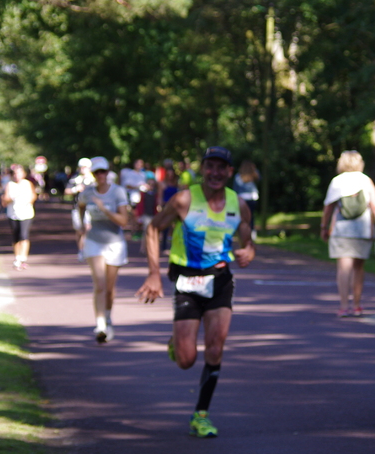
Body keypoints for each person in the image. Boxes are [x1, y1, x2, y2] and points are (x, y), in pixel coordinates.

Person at [135, 146, 255, 438]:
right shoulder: (184, 200)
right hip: (187, 280)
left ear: (229, 172)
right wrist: (153, 273)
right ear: (203, 169)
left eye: (221, 167)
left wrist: (249, 249)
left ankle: (201, 414)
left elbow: (246, 233)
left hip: (220, 279)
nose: (215, 173)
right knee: (186, 360)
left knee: (216, 346)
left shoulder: (238, 203)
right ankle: (177, 342)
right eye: (210, 166)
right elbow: (153, 229)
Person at [320, 150, 375, 317]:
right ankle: (356, 305)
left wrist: (323, 227)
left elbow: (328, 207)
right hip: (363, 230)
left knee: (343, 268)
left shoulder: (337, 181)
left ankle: (343, 306)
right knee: (359, 268)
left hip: (342, 230)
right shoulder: (365, 180)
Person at [79, 157, 130, 343]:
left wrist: (105, 210)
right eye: (97, 172)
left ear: (108, 173)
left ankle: (108, 318)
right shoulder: (87, 192)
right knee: (99, 284)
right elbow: (80, 207)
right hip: (94, 241)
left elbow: (124, 221)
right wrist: (81, 227)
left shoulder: (118, 192)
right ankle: (100, 324)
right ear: (93, 174)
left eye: (103, 171)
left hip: (115, 242)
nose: (100, 175)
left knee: (109, 288)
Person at [2, 163, 37, 270]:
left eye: (19, 173)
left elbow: (33, 196)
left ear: (23, 174)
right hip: (13, 214)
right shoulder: (10, 185)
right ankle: (17, 257)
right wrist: (11, 198)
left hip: (26, 214)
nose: (17, 176)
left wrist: (29, 201)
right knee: (16, 236)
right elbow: (5, 200)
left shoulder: (28, 184)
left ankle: (23, 258)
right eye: (15, 173)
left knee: (24, 235)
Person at [232, 159, 261, 235]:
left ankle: (242, 233)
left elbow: (236, 189)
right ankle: (252, 232)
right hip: (253, 197)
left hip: (242, 198)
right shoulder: (254, 174)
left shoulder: (238, 176)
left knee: (242, 217)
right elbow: (259, 179)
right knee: (251, 216)